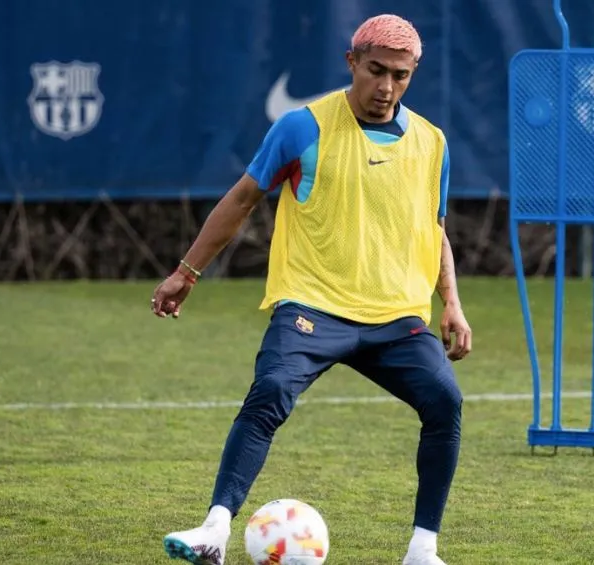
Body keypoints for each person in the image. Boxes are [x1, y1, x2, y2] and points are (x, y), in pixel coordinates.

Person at [152, 13, 471, 565]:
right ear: (351, 63)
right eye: (375, 71)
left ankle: (423, 550)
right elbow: (241, 200)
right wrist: (187, 271)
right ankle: (214, 531)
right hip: (313, 306)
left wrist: (453, 304)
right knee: (271, 390)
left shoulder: (433, 143)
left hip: (395, 317)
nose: (386, 87)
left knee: (446, 401)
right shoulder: (303, 127)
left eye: (401, 75)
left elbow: (435, 229)